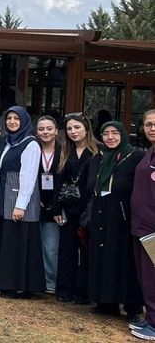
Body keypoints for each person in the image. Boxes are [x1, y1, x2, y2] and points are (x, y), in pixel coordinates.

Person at [0, 106, 45, 299]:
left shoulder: (30, 144)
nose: (11, 122)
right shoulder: (7, 142)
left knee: (20, 242)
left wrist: (21, 205)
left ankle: (19, 285)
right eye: (9, 118)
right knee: (8, 241)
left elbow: (28, 176)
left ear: (24, 121)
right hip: (5, 195)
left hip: (20, 198)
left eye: (16, 119)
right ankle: (5, 281)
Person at [86, 122, 144, 319]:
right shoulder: (98, 158)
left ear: (123, 135)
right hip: (101, 211)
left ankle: (131, 306)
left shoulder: (134, 156)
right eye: (105, 133)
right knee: (103, 256)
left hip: (123, 214)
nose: (110, 137)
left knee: (124, 259)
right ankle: (106, 302)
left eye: (114, 133)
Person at [54, 112, 99, 304]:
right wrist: (56, 209)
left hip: (88, 209)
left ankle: (83, 292)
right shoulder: (65, 152)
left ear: (87, 129)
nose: (73, 132)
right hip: (67, 208)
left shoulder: (98, 153)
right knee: (66, 250)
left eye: (77, 127)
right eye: (70, 128)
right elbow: (58, 181)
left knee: (87, 251)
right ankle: (65, 289)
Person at [129, 109, 155, 340]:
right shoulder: (149, 152)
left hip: (153, 228)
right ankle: (150, 319)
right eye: (148, 124)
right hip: (142, 226)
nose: (152, 128)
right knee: (146, 276)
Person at [35, 116, 62, 295]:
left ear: (56, 131)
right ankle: (37, 279)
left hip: (56, 206)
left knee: (51, 247)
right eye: (41, 129)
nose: (45, 132)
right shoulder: (33, 149)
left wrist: (55, 204)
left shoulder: (64, 151)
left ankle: (50, 280)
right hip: (35, 203)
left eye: (49, 128)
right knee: (35, 244)